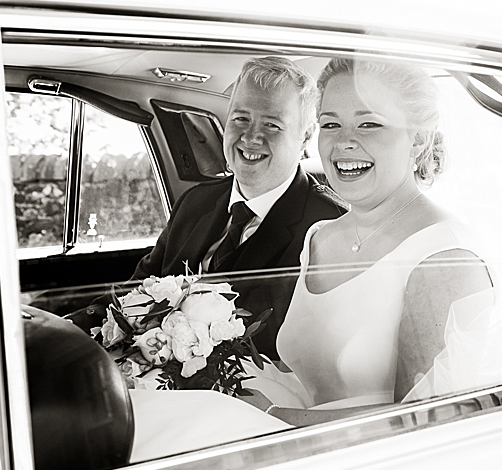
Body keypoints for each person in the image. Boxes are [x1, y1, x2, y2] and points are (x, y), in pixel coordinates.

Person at [238, 58, 494, 426]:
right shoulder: (319, 238)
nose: (343, 142)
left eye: (369, 123)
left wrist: (273, 419)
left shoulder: (445, 257)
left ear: (418, 139)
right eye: (330, 124)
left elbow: (422, 423)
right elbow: (315, 377)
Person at [133, 56, 347, 359]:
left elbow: (317, 350)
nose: (250, 137)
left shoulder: (330, 225)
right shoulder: (195, 202)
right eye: (240, 119)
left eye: (272, 124)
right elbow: (138, 290)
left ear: (306, 136)